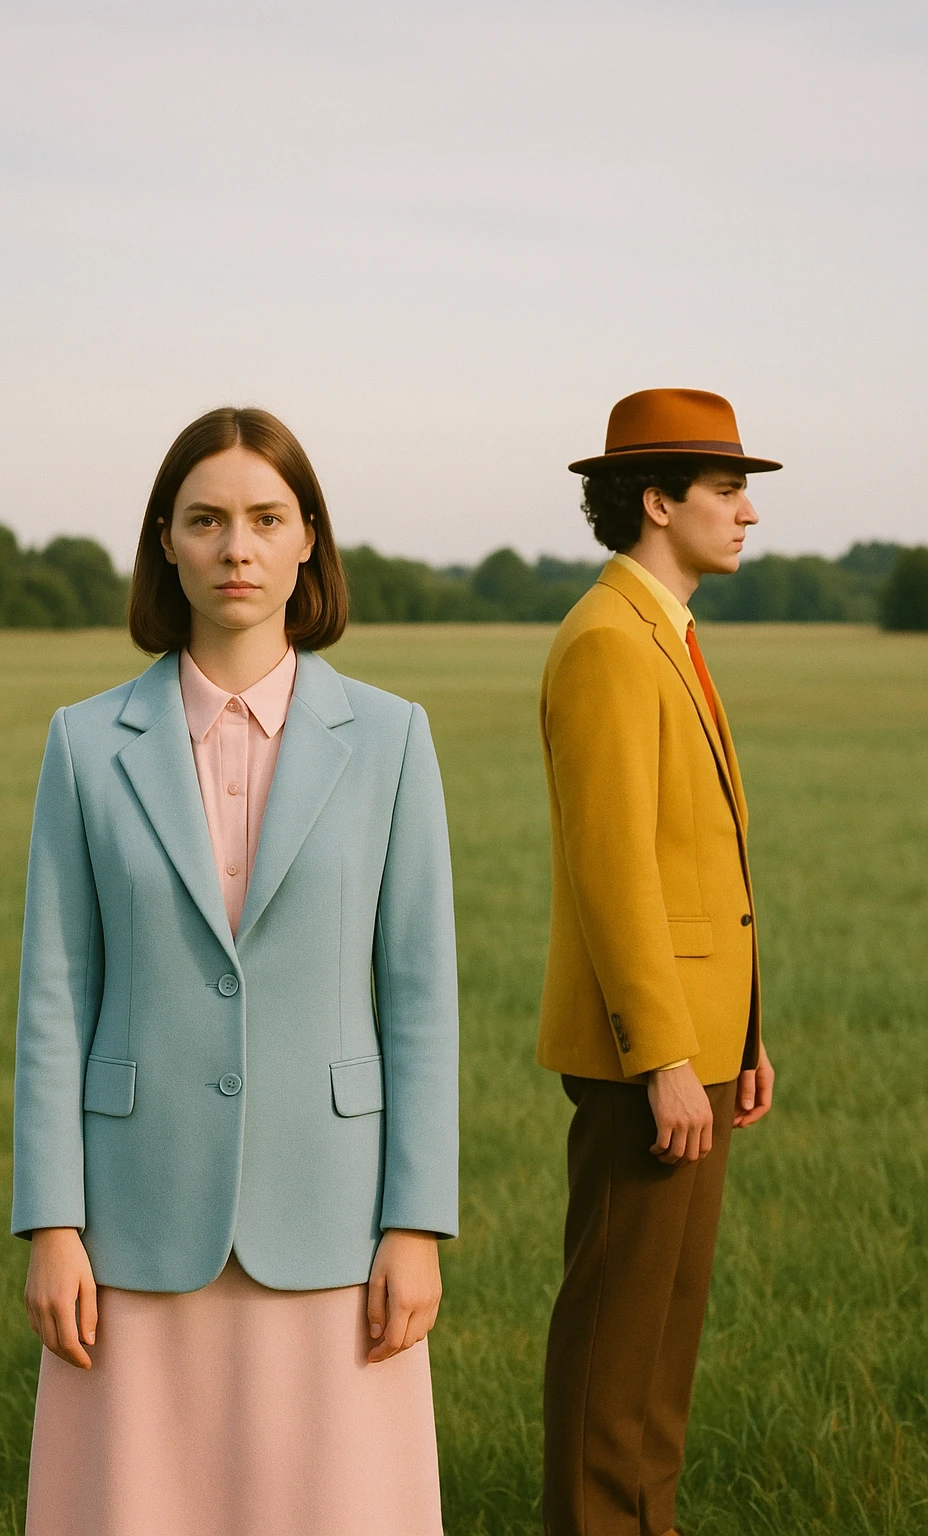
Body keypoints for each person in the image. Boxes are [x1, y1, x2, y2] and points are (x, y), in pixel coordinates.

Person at [12, 406, 459, 1536]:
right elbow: (54, 1000)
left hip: (333, 1213)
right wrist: (53, 1225)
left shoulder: (393, 739)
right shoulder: (83, 744)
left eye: (266, 518)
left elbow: (419, 999)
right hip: (133, 1216)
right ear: (165, 541)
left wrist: (415, 1224)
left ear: (309, 539)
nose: (237, 548)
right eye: (206, 520)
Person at [537, 389, 779, 1536]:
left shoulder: (662, 633)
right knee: (616, 1343)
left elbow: (694, 865)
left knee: (662, 1343)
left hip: (700, 1047)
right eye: (727, 490)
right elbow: (614, 871)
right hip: (651, 1062)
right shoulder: (605, 643)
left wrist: (743, 1037)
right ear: (657, 501)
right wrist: (666, 1058)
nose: (747, 513)